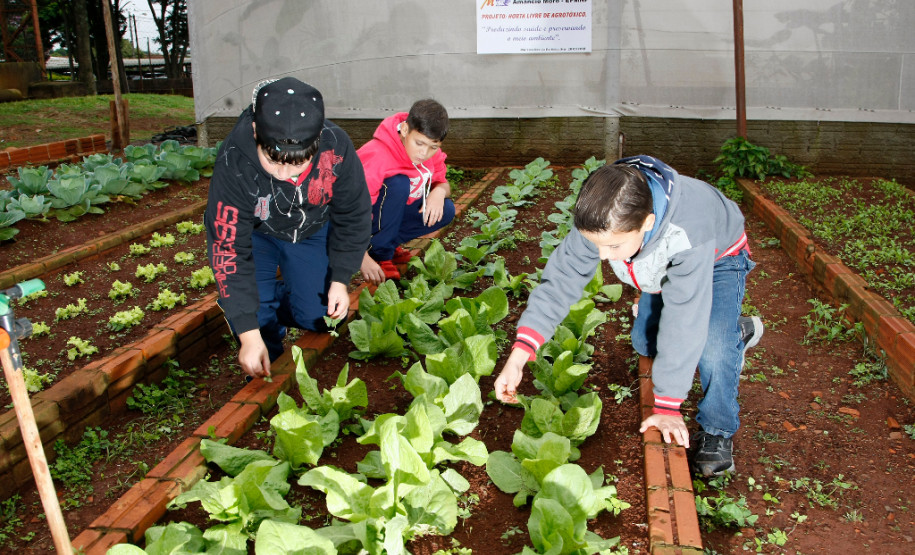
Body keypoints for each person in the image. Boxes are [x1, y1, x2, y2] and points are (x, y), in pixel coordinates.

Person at [493, 155, 764, 477]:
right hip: (654, 266)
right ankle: (726, 332)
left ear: (647, 223)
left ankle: (718, 429)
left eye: (614, 246)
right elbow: (560, 283)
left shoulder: (687, 230)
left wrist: (667, 406)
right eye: (598, 247)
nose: (603, 257)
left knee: (713, 350)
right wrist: (520, 355)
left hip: (718, 256)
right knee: (646, 343)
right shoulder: (603, 213)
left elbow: (684, 317)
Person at [205, 77, 371, 379]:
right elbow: (227, 248)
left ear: (318, 139)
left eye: (298, 164)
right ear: (256, 132)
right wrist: (248, 330)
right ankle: (263, 337)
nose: (285, 175)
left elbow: (354, 213)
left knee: (320, 317)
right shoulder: (234, 160)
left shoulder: (337, 146)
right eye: (273, 162)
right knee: (256, 320)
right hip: (259, 234)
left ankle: (270, 299)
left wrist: (340, 279)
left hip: (312, 229)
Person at [357, 99, 456, 283]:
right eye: (419, 143)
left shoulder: (428, 153)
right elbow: (350, 209)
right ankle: (380, 253)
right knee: (398, 184)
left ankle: (387, 244)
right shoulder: (378, 155)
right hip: (362, 218)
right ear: (404, 130)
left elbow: (444, 183)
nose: (424, 154)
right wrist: (359, 256)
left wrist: (439, 192)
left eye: (433, 147)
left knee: (447, 209)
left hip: (390, 214)